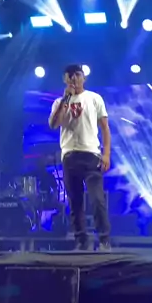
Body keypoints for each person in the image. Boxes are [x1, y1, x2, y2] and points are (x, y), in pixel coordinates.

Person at [49, 64, 111, 251]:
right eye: (70, 75)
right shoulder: (59, 102)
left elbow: (105, 128)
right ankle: (81, 241)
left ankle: (104, 240)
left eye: (77, 74)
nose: (74, 78)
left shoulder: (94, 98)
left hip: (91, 155)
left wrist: (106, 154)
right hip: (70, 156)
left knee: (97, 200)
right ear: (65, 79)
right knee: (75, 202)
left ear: (84, 77)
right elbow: (53, 124)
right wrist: (65, 99)